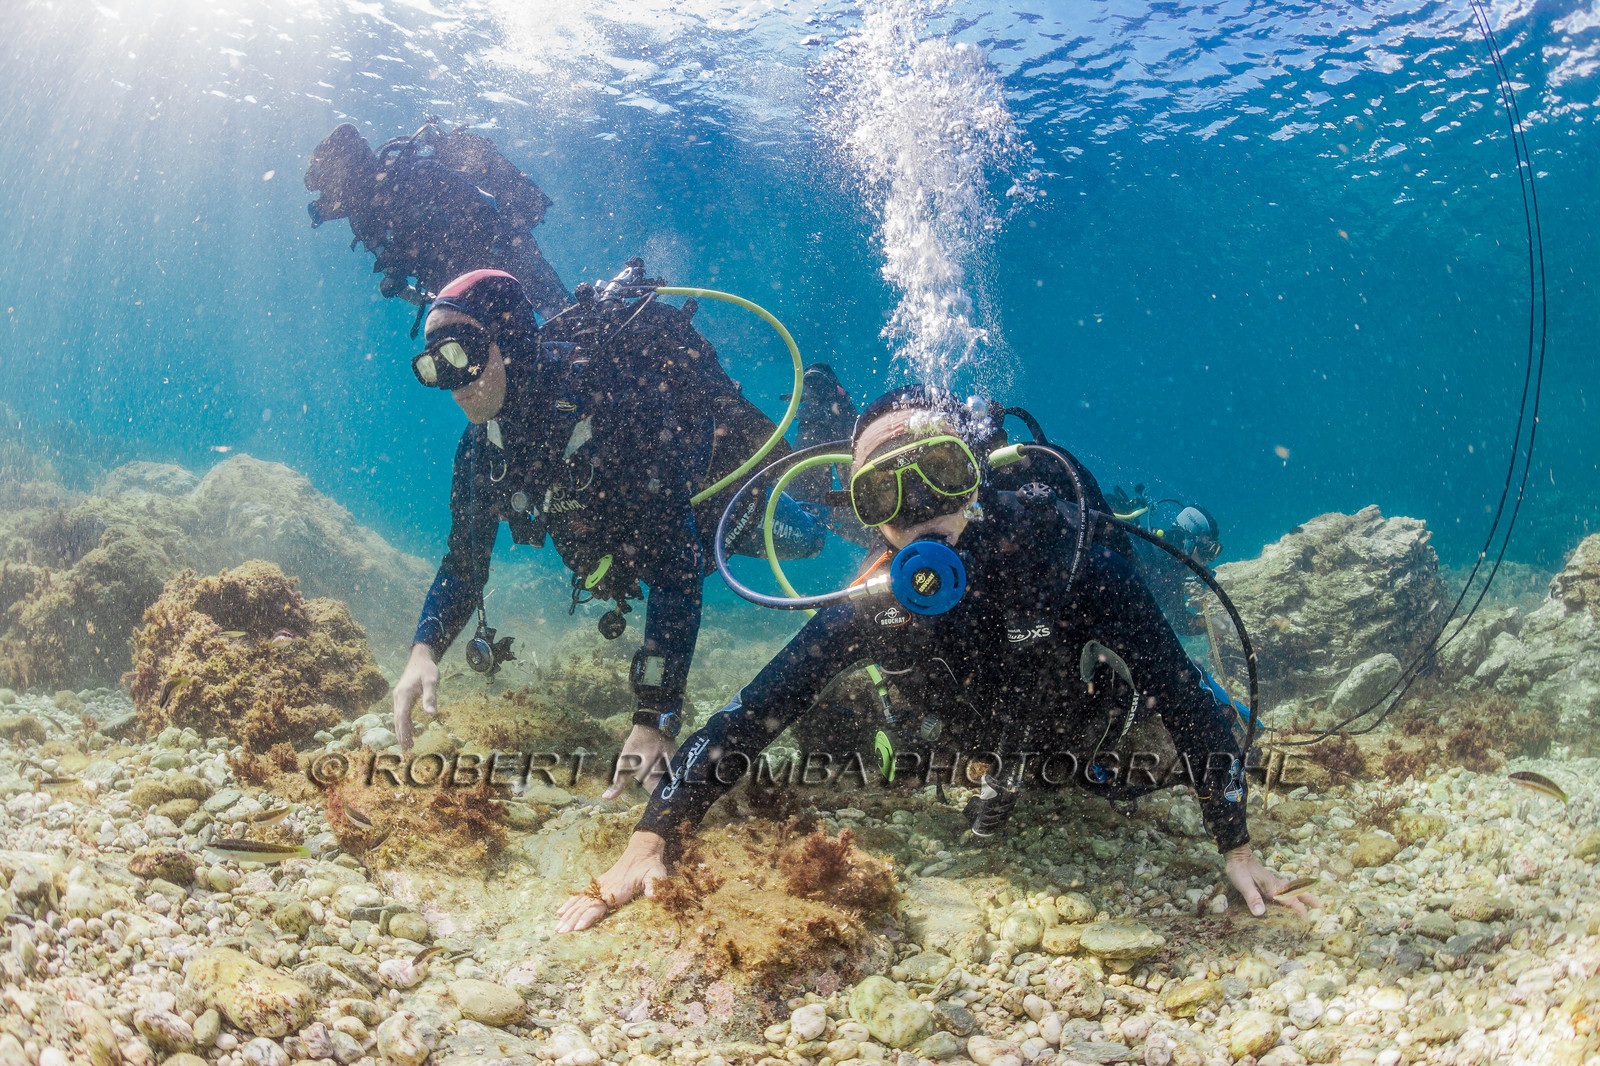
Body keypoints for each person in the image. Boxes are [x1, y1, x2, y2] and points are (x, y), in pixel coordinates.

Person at [558, 385, 1315, 933]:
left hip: (1093, 724)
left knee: (1172, 728)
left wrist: (1234, 841)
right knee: (850, 737)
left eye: (940, 473)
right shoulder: (877, 598)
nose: (921, 508)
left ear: (976, 473)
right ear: (865, 513)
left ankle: (1185, 554)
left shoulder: (1063, 556)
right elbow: (755, 711)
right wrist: (650, 839)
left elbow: (1175, 690)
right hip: (979, 739)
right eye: (887, 490)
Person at [390, 266, 847, 799]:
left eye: (461, 354)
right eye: (434, 366)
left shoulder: (616, 403)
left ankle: (826, 425)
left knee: (810, 532)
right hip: (626, 549)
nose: (453, 383)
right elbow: (463, 562)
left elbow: (676, 574)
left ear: (510, 339)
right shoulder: (481, 445)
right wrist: (424, 649)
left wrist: (654, 719)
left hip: (717, 510)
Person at [304, 118, 571, 321]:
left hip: (506, 261)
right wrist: (398, 286)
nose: (325, 201)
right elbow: (396, 266)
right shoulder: (364, 219)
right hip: (462, 294)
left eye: (327, 188)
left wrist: (499, 251)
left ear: (345, 174)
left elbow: (482, 204)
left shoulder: (415, 176)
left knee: (567, 318)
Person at [1107, 486, 1223, 636]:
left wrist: (1210, 624)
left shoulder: (1174, 575)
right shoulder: (1144, 548)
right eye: (1204, 552)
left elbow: (1179, 621)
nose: (1206, 563)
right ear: (1188, 542)